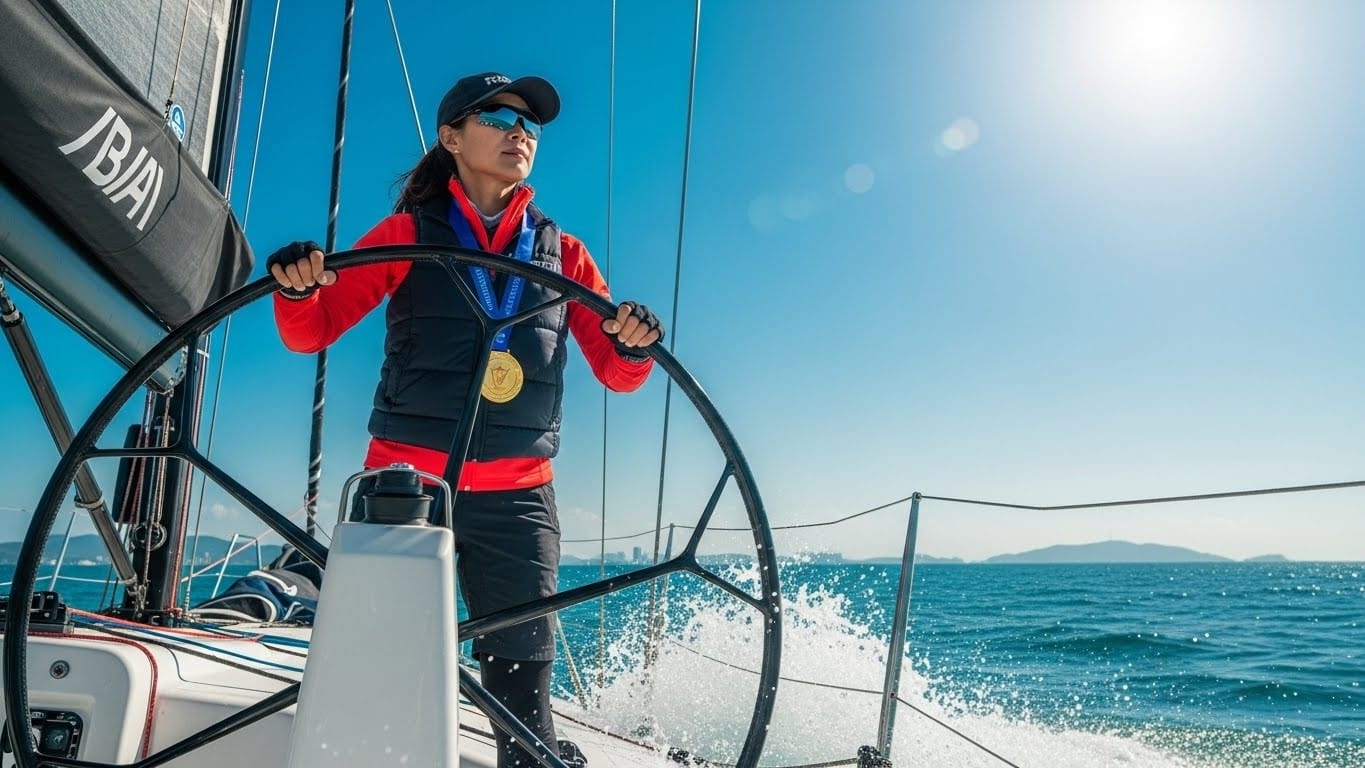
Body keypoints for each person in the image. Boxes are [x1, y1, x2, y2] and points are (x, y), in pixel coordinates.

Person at [266, 71, 663, 767]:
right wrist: (299, 289)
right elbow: (313, 329)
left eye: (530, 124)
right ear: (451, 137)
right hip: (406, 493)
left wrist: (634, 342)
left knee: (521, 683)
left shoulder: (563, 254)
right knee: (381, 673)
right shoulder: (405, 234)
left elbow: (617, 373)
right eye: (498, 115)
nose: (520, 132)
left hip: (518, 499)